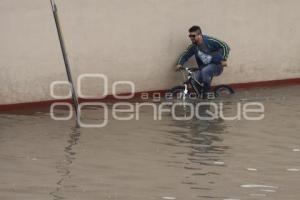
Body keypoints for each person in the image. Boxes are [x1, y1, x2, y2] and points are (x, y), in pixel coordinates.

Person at [176, 25, 230, 98]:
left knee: (205, 71)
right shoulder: (194, 46)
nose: (191, 37)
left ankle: (207, 93)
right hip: (204, 67)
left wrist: (224, 59)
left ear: (199, 35)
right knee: (194, 79)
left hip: (216, 66)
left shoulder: (209, 41)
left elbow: (225, 46)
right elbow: (185, 54)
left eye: (193, 35)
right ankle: (201, 96)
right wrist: (179, 64)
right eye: (190, 36)